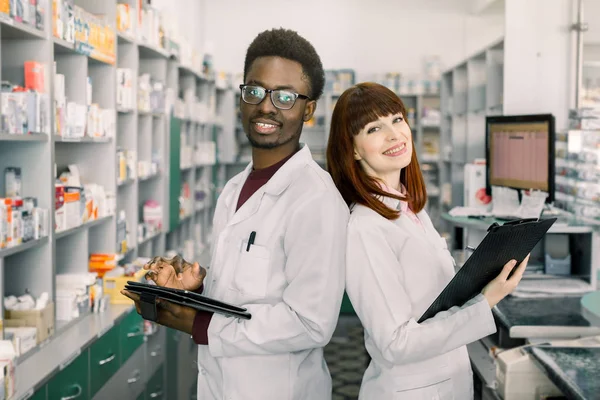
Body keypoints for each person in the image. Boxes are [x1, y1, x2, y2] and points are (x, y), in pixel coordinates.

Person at [122, 28, 349, 400]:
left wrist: (201, 325)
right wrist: (194, 288)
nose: (266, 106)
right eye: (255, 91)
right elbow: (246, 287)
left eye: (286, 97)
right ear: (241, 98)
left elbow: (311, 324)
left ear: (309, 109)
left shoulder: (317, 200)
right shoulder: (232, 190)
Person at [325, 82, 530, 400]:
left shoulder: (410, 208)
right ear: (351, 149)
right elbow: (396, 343)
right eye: (374, 128)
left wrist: (483, 270)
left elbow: (429, 298)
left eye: (397, 119)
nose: (394, 135)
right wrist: (485, 301)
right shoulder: (364, 228)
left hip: (445, 381)